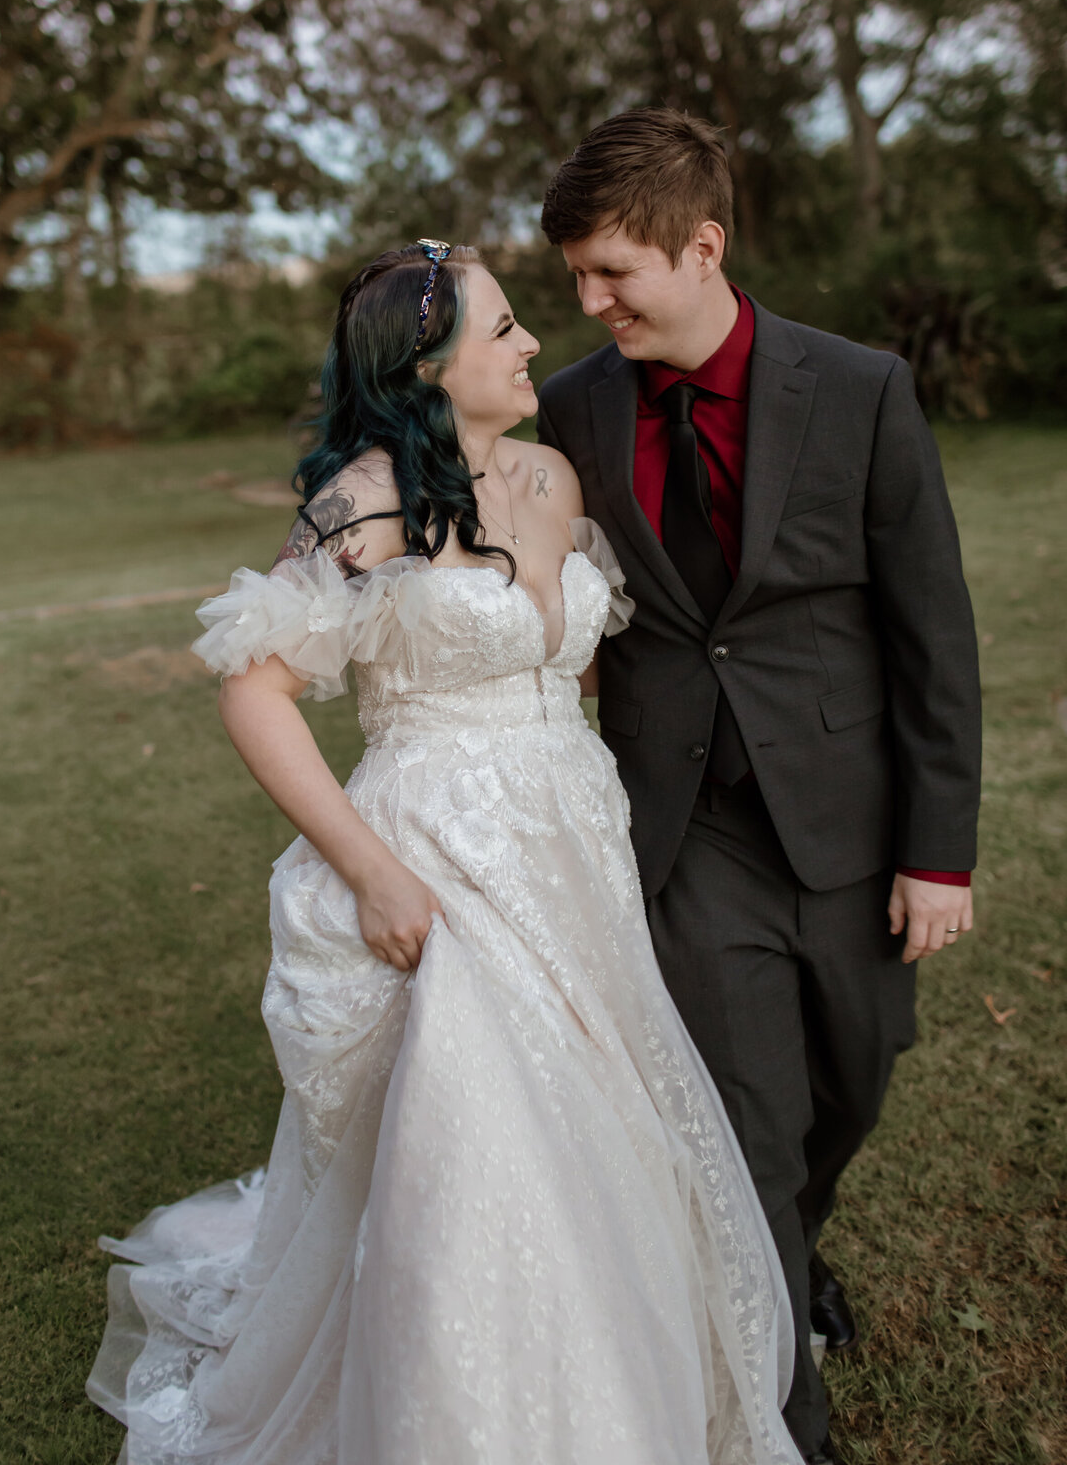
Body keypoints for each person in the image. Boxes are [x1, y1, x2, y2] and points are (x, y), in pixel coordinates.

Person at [87, 241, 805, 1465]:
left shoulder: (550, 479)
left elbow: (571, 665)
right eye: (508, 327)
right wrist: (370, 867)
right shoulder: (361, 504)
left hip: (570, 842)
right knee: (482, 1132)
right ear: (429, 365)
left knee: (600, 1115)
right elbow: (256, 696)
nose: (535, 344)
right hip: (438, 842)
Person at [535, 109, 982, 1465]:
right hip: (686, 833)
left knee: (856, 1081)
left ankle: (795, 1248)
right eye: (576, 280)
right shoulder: (572, 408)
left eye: (614, 272)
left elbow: (933, 636)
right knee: (748, 1130)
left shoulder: (858, 391)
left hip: (850, 828)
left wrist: (940, 853)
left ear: (703, 244)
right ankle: (795, 1419)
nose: (592, 302)